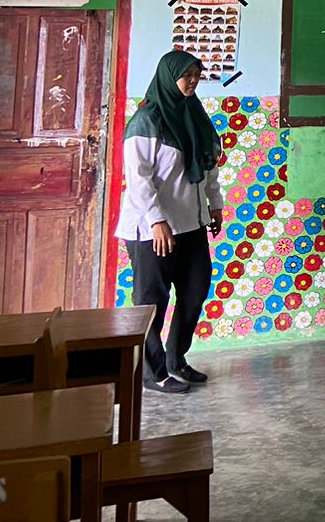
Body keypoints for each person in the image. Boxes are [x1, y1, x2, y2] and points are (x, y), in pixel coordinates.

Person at [115, 50, 223, 394]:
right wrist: (157, 221)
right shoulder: (147, 121)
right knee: (152, 299)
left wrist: (214, 204)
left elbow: (208, 164)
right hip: (152, 229)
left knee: (194, 291)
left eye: (196, 75)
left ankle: (176, 359)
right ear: (168, 76)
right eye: (186, 75)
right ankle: (152, 371)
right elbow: (139, 178)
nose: (192, 81)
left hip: (190, 224)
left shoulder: (193, 114)